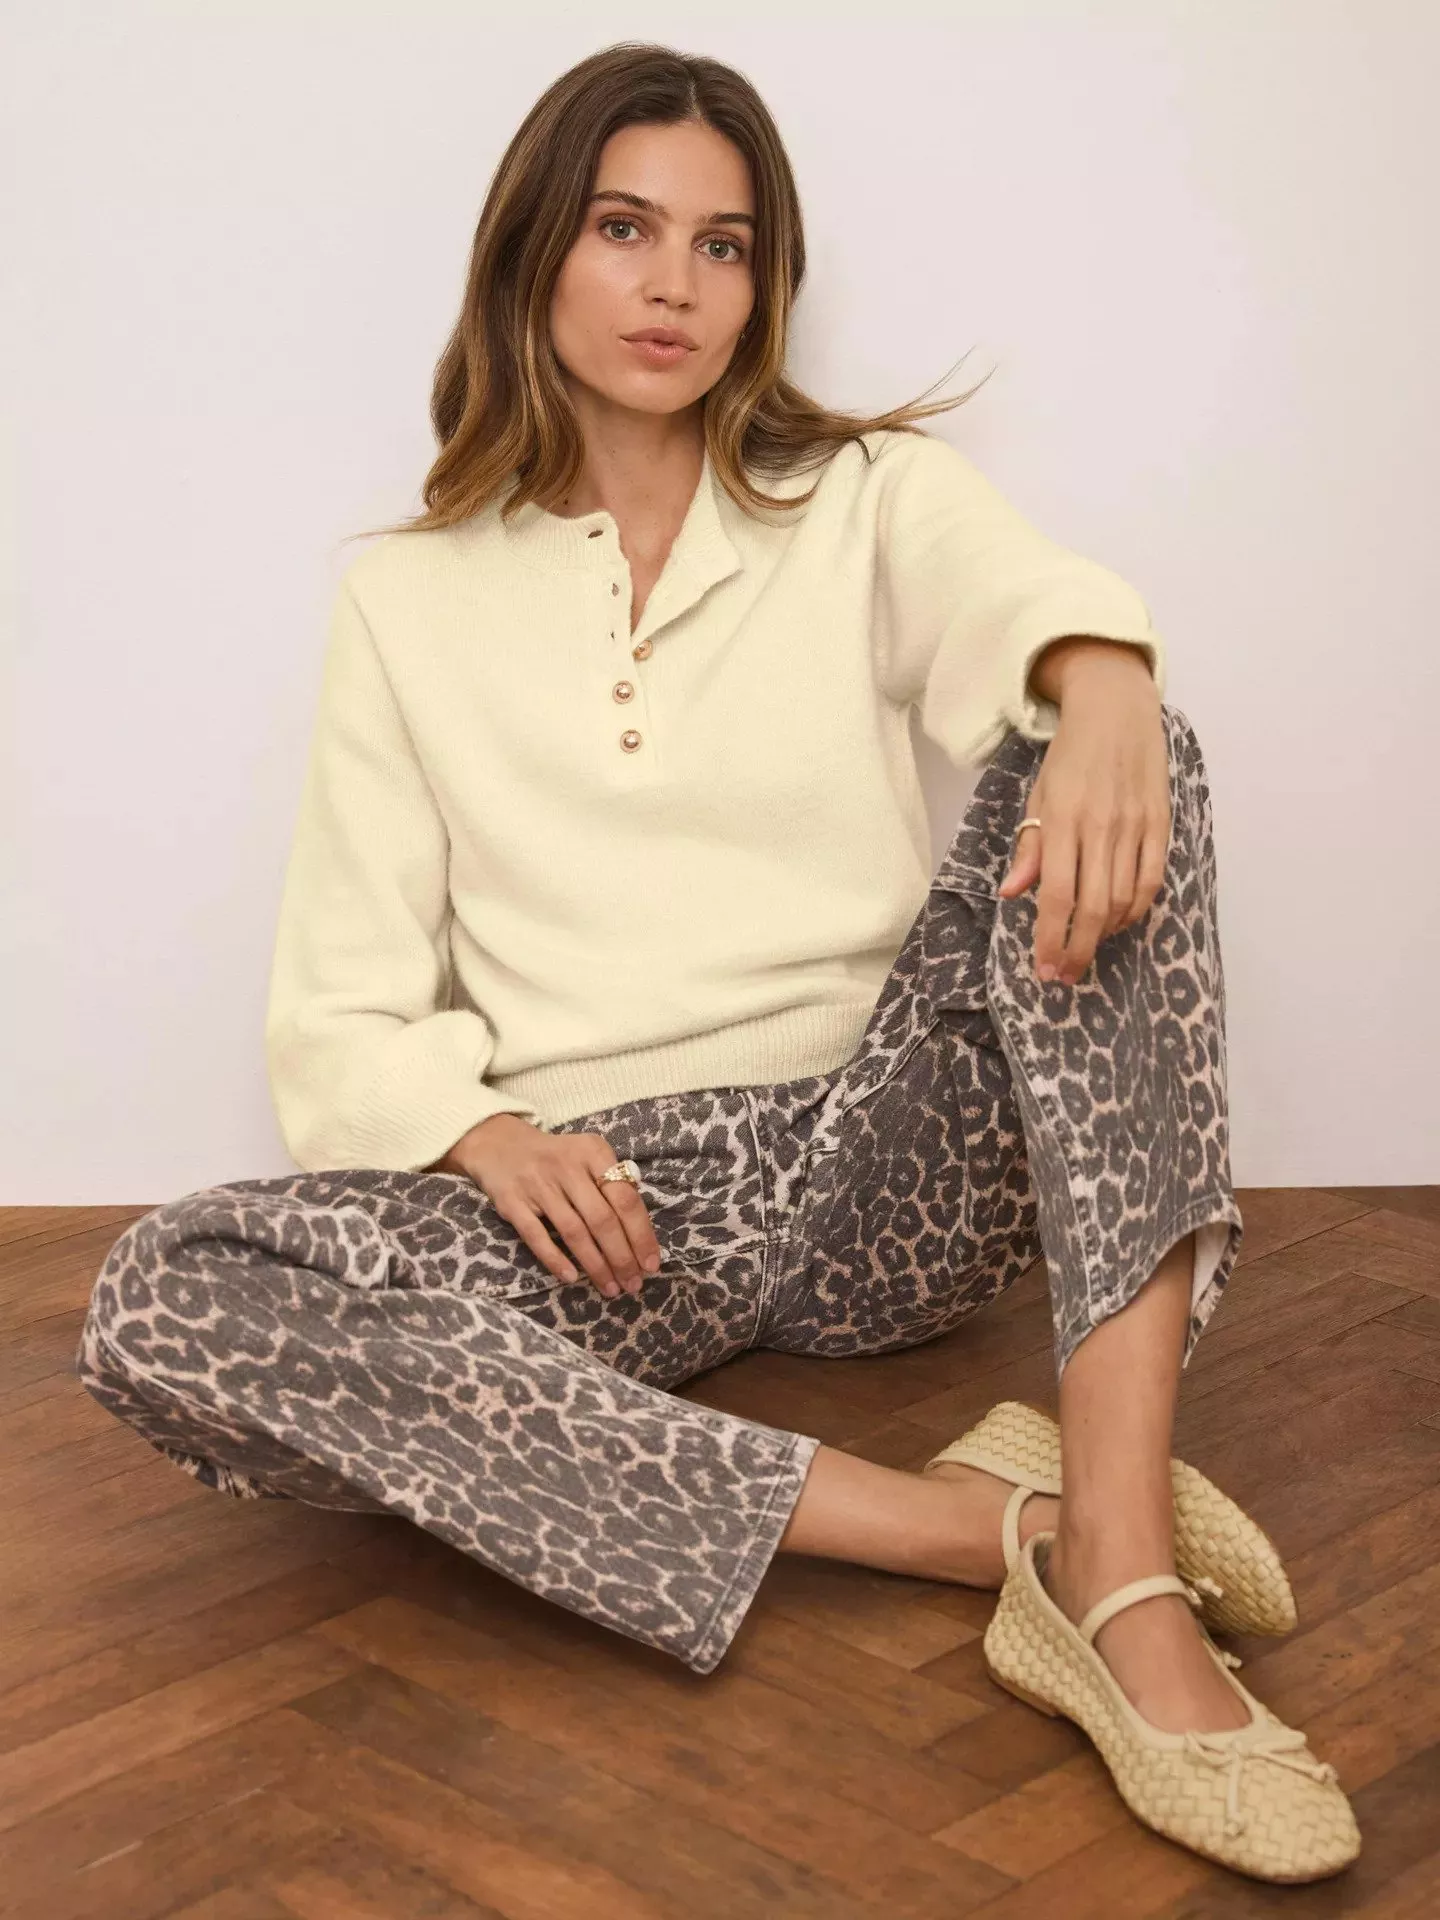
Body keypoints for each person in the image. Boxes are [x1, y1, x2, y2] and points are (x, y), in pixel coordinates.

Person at [77, 41, 1359, 1885]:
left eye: (726, 245)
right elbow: (345, 1001)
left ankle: (1132, 1563)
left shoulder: (861, 498)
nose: (676, 284)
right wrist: (481, 1134)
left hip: (888, 1153)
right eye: (624, 229)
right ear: (537, 252)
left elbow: (1023, 602)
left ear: (768, 283)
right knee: (170, 1292)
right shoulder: (407, 595)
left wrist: (1106, 681)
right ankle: (995, 1535)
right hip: (611, 1207)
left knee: (1113, 761)